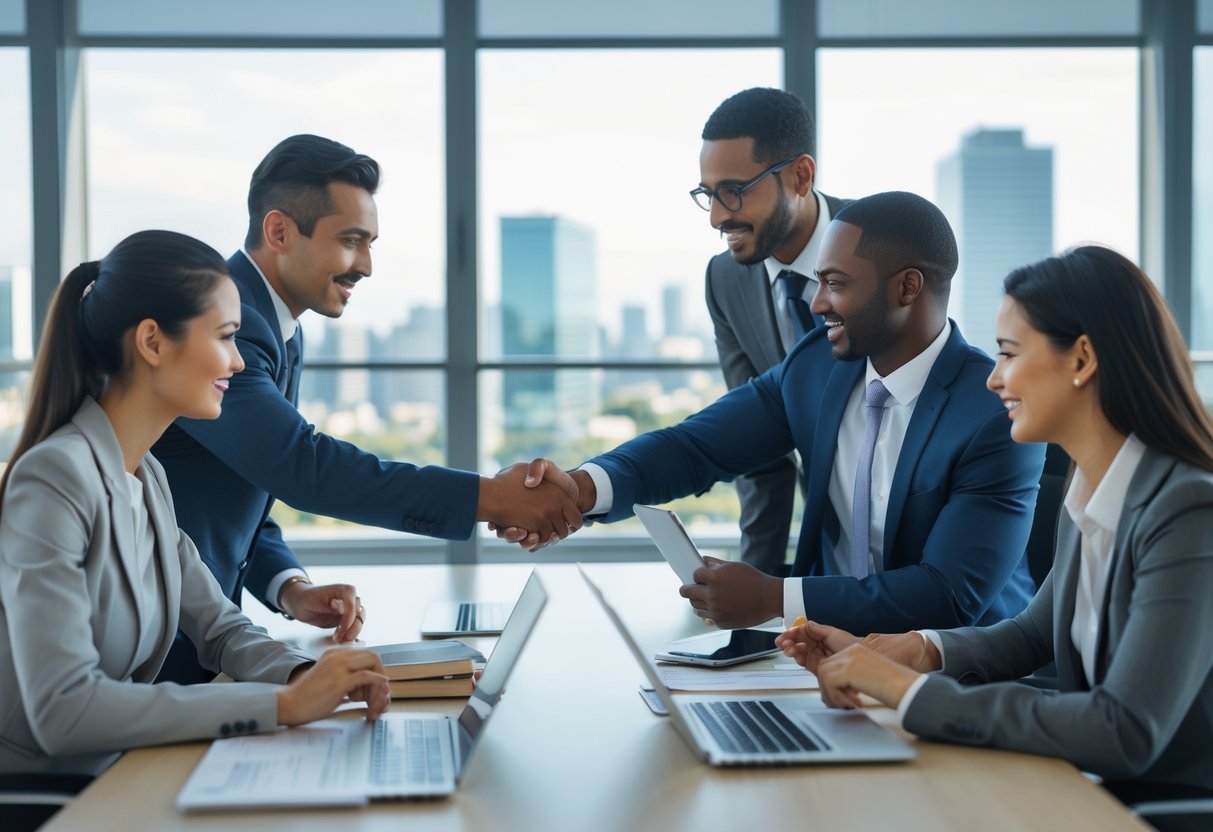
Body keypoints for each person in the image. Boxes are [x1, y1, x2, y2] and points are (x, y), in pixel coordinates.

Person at [777, 246, 1213, 810]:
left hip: (1155, 812)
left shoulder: (1186, 511)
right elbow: (1033, 636)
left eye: (1008, 354)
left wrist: (907, 692)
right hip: (1082, 793)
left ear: (1082, 359)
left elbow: (1124, 729)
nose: (992, 379)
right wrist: (907, 653)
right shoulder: (1094, 490)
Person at [503, 192, 1043, 635]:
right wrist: (581, 486)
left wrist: (772, 597)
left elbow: (947, 595)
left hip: (960, 677)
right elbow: (696, 446)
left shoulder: (994, 410)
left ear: (907, 287)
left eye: (837, 284)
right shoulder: (814, 366)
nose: (817, 303)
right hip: (821, 658)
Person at [153, 135, 580, 684]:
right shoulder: (220, 325)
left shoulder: (277, 328)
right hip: (152, 659)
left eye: (371, 243)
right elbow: (302, 467)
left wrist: (289, 587)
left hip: (201, 644)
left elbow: (240, 486)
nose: (368, 267)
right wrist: (490, 497)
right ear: (279, 231)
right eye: (352, 241)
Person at [0, 231, 390, 803]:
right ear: (153, 342)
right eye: (227, 336)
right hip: (44, 797)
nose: (237, 360)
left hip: (118, 774)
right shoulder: (53, 480)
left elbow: (221, 628)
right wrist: (281, 706)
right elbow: (64, 709)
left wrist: (305, 676)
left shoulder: (146, 476)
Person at [695, 87, 850, 576]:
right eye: (708, 194)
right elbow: (757, 449)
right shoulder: (725, 281)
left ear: (801, 176)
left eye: (734, 190)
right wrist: (753, 595)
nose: (719, 216)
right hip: (829, 544)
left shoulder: (885, 245)